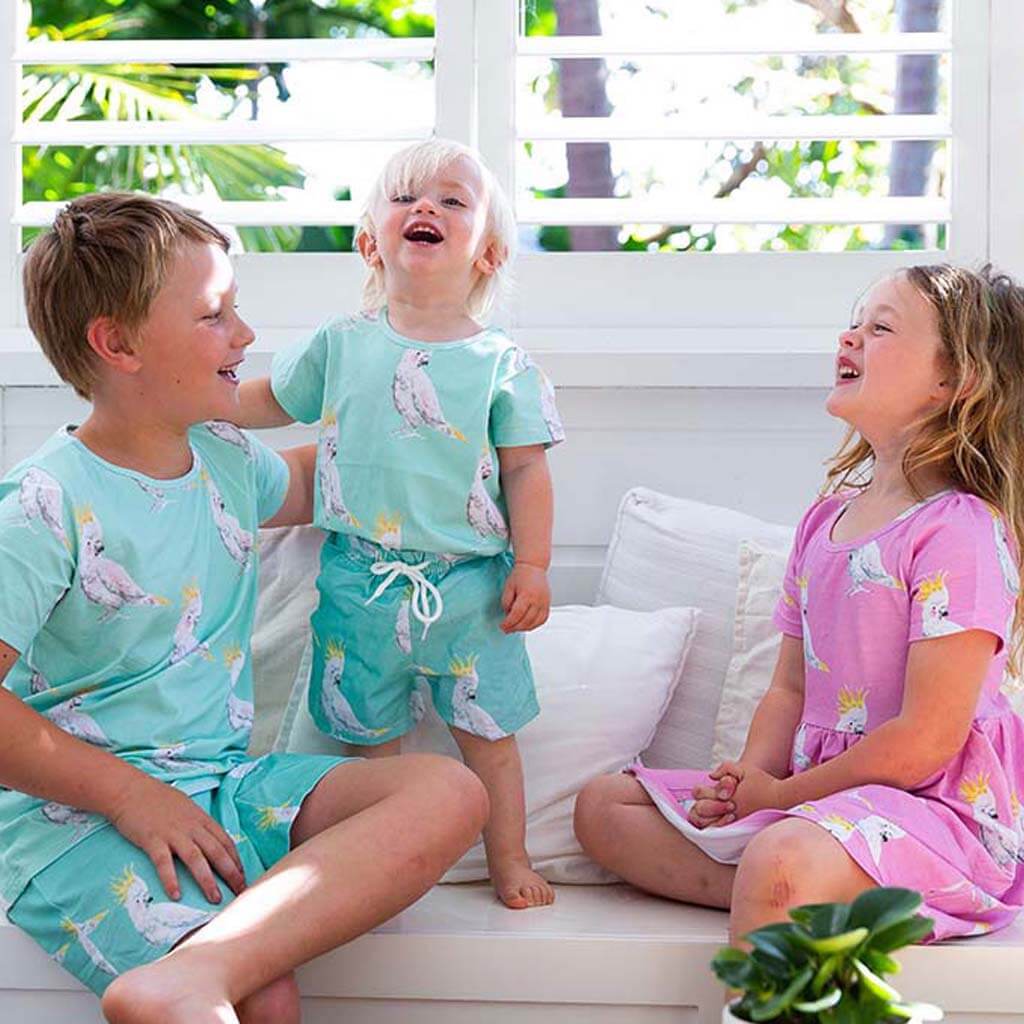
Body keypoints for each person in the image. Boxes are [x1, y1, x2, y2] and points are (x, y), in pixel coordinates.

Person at [0, 191, 488, 1024]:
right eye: (213, 315)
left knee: (448, 792)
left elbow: (306, 482)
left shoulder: (220, 456)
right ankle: (206, 977)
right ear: (117, 344)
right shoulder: (41, 507)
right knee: (267, 1000)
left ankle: (205, 965)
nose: (245, 335)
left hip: (223, 786)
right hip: (77, 817)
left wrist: (433, 450)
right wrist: (128, 795)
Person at [575, 264, 1024, 944]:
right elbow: (787, 687)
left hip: (929, 813)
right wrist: (753, 778)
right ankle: (790, 889)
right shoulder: (824, 522)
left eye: (880, 327)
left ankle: (785, 880)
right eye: (855, 320)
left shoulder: (958, 530)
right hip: (818, 802)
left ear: (953, 383)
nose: (850, 336)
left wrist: (781, 800)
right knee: (604, 807)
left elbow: (926, 742)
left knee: (781, 855)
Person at [235, 138, 564, 911]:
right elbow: (269, 402)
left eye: (453, 201)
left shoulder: (500, 363)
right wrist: (199, 402)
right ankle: (384, 860)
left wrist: (534, 565)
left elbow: (526, 470)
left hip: (473, 589)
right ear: (368, 240)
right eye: (406, 197)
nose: (427, 208)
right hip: (359, 579)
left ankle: (508, 856)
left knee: (491, 737)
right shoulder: (340, 343)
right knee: (369, 740)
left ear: (487, 252)